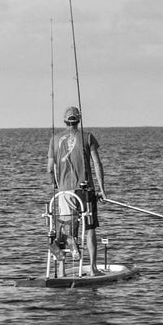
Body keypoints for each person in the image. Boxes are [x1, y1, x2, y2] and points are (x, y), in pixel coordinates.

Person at [46, 105, 107, 276]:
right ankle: (93, 269)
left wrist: (56, 187)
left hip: (64, 192)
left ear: (65, 121)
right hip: (85, 191)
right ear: (79, 120)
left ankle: (61, 270)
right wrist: (102, 190)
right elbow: (97, 164)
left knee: (67, 228)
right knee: (90, 228)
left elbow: (50, 169)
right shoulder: (87, 137)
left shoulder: (54, 140)